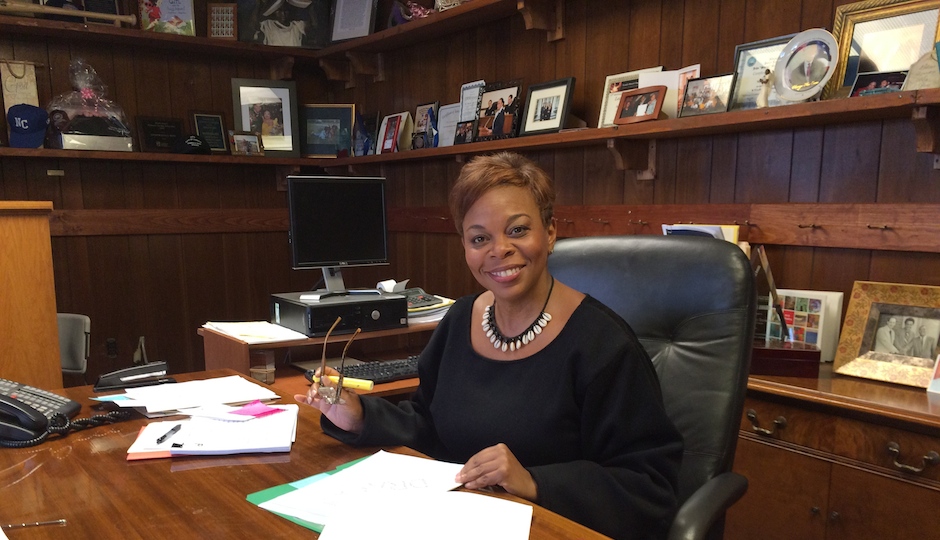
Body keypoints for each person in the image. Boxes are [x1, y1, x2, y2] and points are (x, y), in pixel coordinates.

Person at [296, 152, 683, 539]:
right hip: (454, 522)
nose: (499, 250)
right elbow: (429, 424)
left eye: (517, 230)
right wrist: (359, 416)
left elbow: (649, 487)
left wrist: (533, 481)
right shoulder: (459, 320)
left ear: (549, 233)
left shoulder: (604, 345)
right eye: (480, 238)